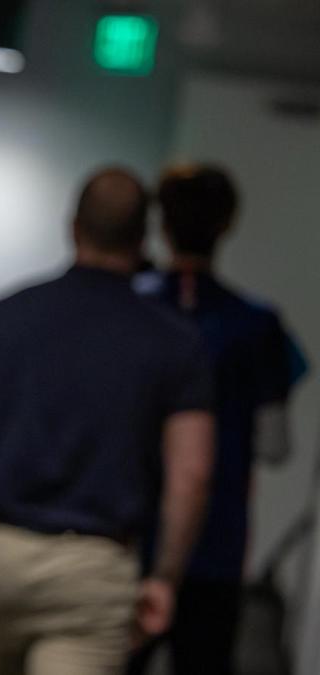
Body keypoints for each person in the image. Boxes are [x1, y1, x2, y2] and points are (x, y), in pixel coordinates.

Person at [0, 167, 216, 675]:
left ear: (73, 227)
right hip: (95, 567)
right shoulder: (175, 341)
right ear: (142, 237)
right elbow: (192, 474)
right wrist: (165, 578)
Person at [128, 164, 310, 675]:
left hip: (127, 533)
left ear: (162, 224)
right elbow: (276, 446)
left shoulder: (131, 305)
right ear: (228, 224)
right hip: (215, 543)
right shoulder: (255, 324)